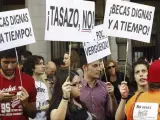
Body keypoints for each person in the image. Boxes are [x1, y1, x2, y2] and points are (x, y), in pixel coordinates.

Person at [0, 48, 37, 120]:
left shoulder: (28, 80)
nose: (10, 66)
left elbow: (33, 114)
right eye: (6, 62)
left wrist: (25, 103)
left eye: (13, 62)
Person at [23, 55, 49, 120]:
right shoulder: (27, 83)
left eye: (43, 63)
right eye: (39, 64)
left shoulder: (43, 85)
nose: (43, 66)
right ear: (32, 67)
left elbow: (46, 101)